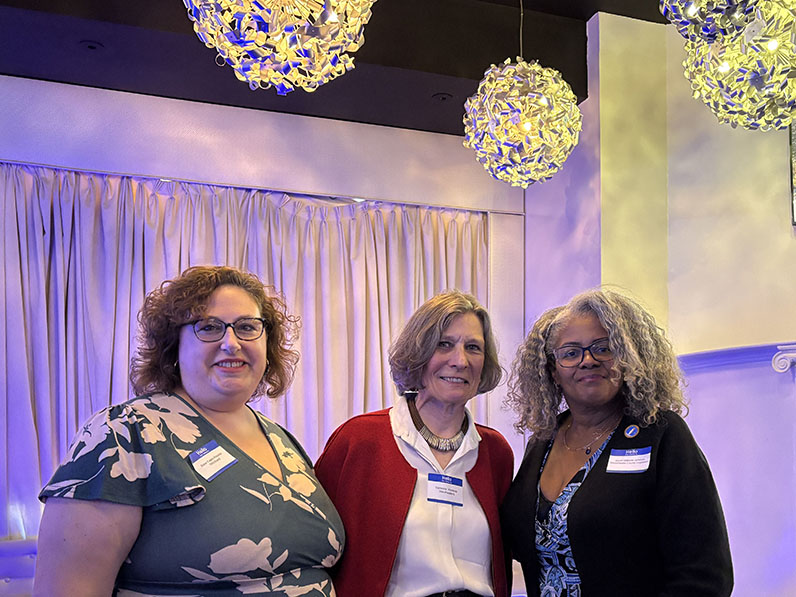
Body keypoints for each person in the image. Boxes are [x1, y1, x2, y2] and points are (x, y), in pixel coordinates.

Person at [34, 265, 344, 596]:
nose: (231, 343)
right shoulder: (123, 434)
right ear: (173, 347)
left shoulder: (281, 439)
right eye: (208, 327)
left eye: (247, 327)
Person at [501, 288, 733, 596]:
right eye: (570, 353)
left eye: (604, 348)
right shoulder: (544, 440)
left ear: (627, 358)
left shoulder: (661, 434)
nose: (588, 361)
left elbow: (704, 576)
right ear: (553, 371)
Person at [314, 290, 513, 597]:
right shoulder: (359, 440)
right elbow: (316, 545)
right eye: (444, 344)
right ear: (419, 353)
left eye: (473, 347)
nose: (460, 361)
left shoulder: (496, 453)